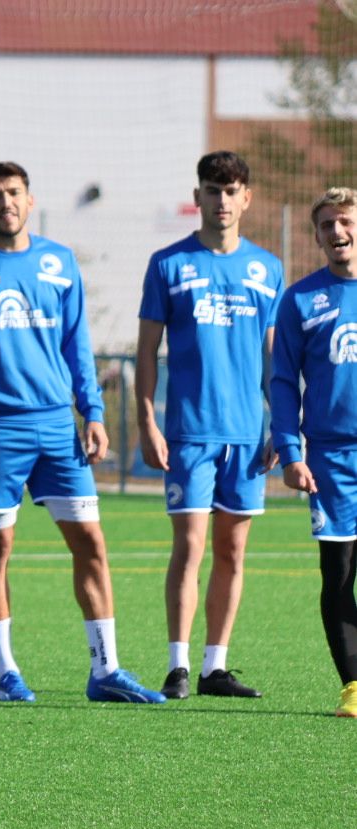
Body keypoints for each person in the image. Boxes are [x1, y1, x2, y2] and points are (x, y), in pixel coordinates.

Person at [0, 161, 164, 704]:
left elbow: (77, 346)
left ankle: (106, 671)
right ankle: (7, 673)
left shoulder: (59, 262)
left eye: (13, 193)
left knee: (91, 544)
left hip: (59, 428)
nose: (5, 202)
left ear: (30, 200)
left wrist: (94, 412)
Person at [136, 151, 283, 700]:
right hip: (191, 433)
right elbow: (147, 352)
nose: (222, 201)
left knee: (233, 551)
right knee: (190, 545)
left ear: (247, 198)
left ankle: (214, 667)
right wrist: (148, 421)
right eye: (212, 190)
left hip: (247, 436)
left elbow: (277, 362)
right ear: (197, 197)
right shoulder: (168, 264)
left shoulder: (267, 268)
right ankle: (176, 665)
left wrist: (284, 429)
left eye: (232, 190)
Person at [269, 188, 357, 717]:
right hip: (330, 461)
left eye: (345, 221)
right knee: (339, 572)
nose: (338, 232)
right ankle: (354, 686)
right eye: (327, 225)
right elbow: (282, 382)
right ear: (317, 235)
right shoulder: (302, 300)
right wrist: (288, 450)